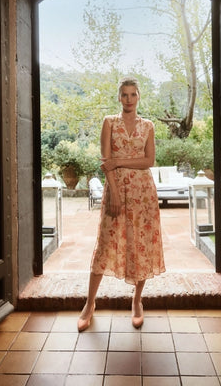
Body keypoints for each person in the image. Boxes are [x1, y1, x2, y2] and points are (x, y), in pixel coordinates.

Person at [77, 77, 166, 331]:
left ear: (139, 97)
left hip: (143, 194)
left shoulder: (148, 125)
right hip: (116, 190)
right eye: (124, 95)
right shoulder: (109, 122)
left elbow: (149, 160)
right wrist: (114, 192)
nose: (128, 99)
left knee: (141, 244)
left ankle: (137, 301)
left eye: (133, 94)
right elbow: (106, 160)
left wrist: (119, 162)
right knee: (106, 243)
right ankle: (89, 303)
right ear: (119, 97)